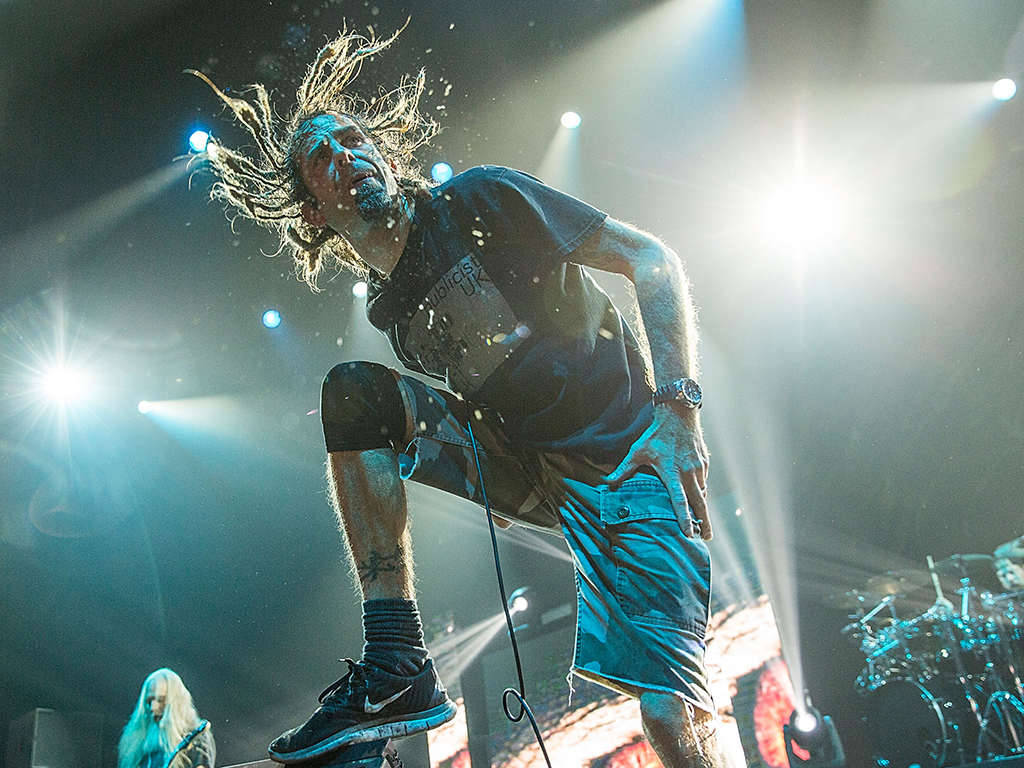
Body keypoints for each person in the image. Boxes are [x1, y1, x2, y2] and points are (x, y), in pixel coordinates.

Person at [195, 26, 734, 768]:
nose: (347, 155)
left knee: (670, 717)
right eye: (323, 157)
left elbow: (652, 259)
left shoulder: (482, 199)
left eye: (353, 140)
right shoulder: (390, 312)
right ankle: (396, 660)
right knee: (355, 396)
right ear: (313, 212)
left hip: (632, 453)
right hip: (533, 468)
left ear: (382, 154)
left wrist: (679, 410)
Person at [118, 669, 215, 768]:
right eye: (149, 701)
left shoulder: (196, 737)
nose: (153, 707)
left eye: (160, 700)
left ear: (177, 702)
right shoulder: (140, 743)